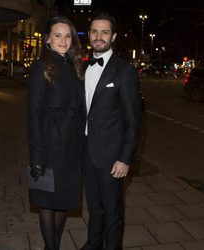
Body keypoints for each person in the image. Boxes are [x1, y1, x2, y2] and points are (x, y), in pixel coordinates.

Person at [81, 12, 142, 250]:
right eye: (94, 31)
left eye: (104, 31)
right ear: (89, 35)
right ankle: (94, 242)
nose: (99, 36)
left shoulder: (125, 72)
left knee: (112, 211)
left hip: (111, 156)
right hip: (87, 151)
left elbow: (133, 120)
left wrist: (125, 158)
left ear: (113, 36)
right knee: (94, 207)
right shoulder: (83, 67)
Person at [27, 16, 84, 250]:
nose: (63, 40)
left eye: (68, 35)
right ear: (48, 39)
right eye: (58, 35)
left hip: (72, 143)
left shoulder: (74, 66)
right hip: (50, 144)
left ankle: (55, 245)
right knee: (48, 201)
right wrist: (37, 155)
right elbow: (33, 114)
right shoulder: (41, 66)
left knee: (64, 201)